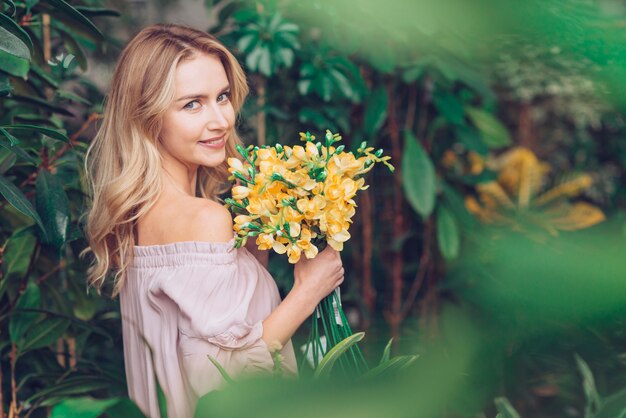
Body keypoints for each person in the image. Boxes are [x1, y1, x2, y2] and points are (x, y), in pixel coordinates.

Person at [83, 24, 344, 418]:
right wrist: (309, 290)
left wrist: (255, 248)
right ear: (147, 116)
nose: (221, 120)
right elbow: (224, 383)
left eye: (222, 97)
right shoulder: (203, 218)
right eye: (192, 104)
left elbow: (211, 332)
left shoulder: (142, 215)